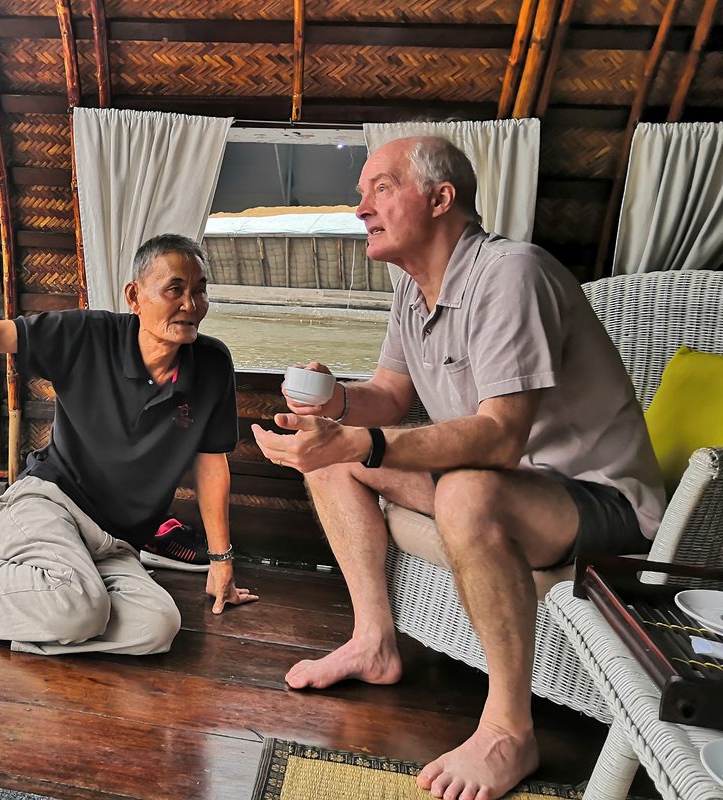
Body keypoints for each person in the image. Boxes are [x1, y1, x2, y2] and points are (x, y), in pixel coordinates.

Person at [252, 136, 664, 800]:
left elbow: (500, 439)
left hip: (599, 502)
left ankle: (509, 731)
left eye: (380, 188)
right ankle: (374, 642)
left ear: (442, 198)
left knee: (465, 491)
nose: (361, 208)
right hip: (511, 487)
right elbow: (388, 393)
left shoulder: (512, 273)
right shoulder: (413, 292)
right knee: (331, 458)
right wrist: (340, 406)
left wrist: (364, 442)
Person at [0, 233, 257, 657]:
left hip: (115, 542)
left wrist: (221, 560)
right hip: (47, 504)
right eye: (175, 289)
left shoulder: (211, 363)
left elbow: (211, 463)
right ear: (134, 296)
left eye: (200, 290)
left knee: (157, 629)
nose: (191, 304)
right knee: (81, 608)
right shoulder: (89, 335)